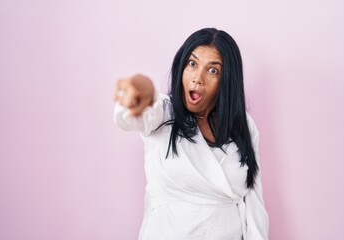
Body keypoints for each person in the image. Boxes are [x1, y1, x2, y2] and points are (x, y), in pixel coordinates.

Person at [113, 28, 269, 240]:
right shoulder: (163, 112)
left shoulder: (242, 125)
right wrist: (141, 94)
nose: (198, 78)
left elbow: (254, 204)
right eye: (192, 64)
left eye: (213, 71)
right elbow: (131, 117)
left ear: (226, 80)